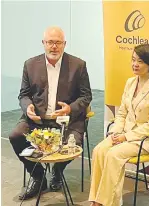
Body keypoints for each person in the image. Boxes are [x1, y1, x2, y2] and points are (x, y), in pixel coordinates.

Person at [9, 26, 92, 200]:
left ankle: (57, 170)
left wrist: (70, 108)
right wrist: (28, 107)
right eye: (50, 42)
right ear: (43, 43)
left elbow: (86, 96)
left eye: (58, 43)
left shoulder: (78, 65)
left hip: (67, 120)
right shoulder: (30, 65)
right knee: (15, 136)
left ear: (64, 44)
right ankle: (38, 176)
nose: (54, 47)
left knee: (74, 144)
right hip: (37, 118)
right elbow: (23, 95)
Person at [88, 44, 149, 206]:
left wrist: (126, 137)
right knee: (99, 150)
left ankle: (104, 203)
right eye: (133, 60)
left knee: (113, 155)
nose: (135, 64)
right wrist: (116, 132)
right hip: (124, 133)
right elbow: (122, 113)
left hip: (146, 139)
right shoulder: (130, 82)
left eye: (140, 61)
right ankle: (97, 199)